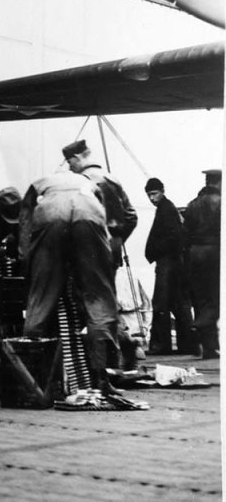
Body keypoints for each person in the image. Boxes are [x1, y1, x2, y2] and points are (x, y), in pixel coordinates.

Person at [19, 170, 118, 391]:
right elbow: (107, 228)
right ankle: (101, 378)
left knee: (41, 295)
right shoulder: (91, 183)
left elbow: (25, 218)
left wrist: (27, 255)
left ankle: (32, 377)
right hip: (88, 211)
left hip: (51, 213)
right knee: (99, 295)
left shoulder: (41, 181)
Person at [62, 139, 137, 268]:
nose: (70, 167)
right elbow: (131, 217)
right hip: (110, 254)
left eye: (70, 162)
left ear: (76, 157)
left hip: (89, 254)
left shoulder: (81, 181)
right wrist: (116, 241)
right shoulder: (111, 178)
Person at [143, 177, 194, 355]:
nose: (152, 198)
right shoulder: (167, 208)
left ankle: (161, 345)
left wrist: (156, 251)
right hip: (175, 263)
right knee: (178, 304)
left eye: (154, 194)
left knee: (161, 304)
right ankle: (187, 344)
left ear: (162, 191)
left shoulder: (166, 210)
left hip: (168, 263)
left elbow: (174, 238)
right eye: (149, 195)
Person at [183, 169, 220, 359]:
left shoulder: (192, 204)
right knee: (215, 298)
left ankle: (209, 346)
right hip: (215, 252)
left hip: (195, 253)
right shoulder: (220, 202)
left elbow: (184, 233)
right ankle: (200, 325)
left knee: (202, 298)